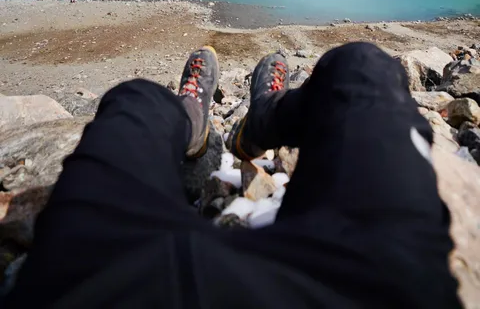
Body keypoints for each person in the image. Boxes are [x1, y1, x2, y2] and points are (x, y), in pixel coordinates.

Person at [6, 43, 461, 308]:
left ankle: (193, 122)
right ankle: (261, 121)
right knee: (365, 67)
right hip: (370, 287)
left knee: (135, 100)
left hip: (104, 284)